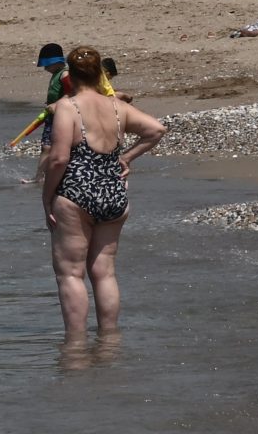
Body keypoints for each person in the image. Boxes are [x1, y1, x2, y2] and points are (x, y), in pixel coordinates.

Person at [43, 47, 165, 336]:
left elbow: (59, 159)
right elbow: (156, 130)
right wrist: (126, 158)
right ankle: (109, 340)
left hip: (76, 193)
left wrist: (47, 197)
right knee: (105, 272)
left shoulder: (67, 107)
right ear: (100, 73)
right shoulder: (116, 106)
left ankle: (74, 346)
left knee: (71, 273)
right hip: (114, 193)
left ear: (69, 77)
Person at [21, 43, 71, 184]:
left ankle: (40, 177)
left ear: (56, 62)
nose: (45, 69)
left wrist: (56, 104)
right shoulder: (56, 74)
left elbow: (72, 93)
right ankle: (41, 176)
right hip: (52, 116)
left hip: (62, 117)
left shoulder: (65, 74)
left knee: (49, 147)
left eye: (47, 65)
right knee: (47, 147)